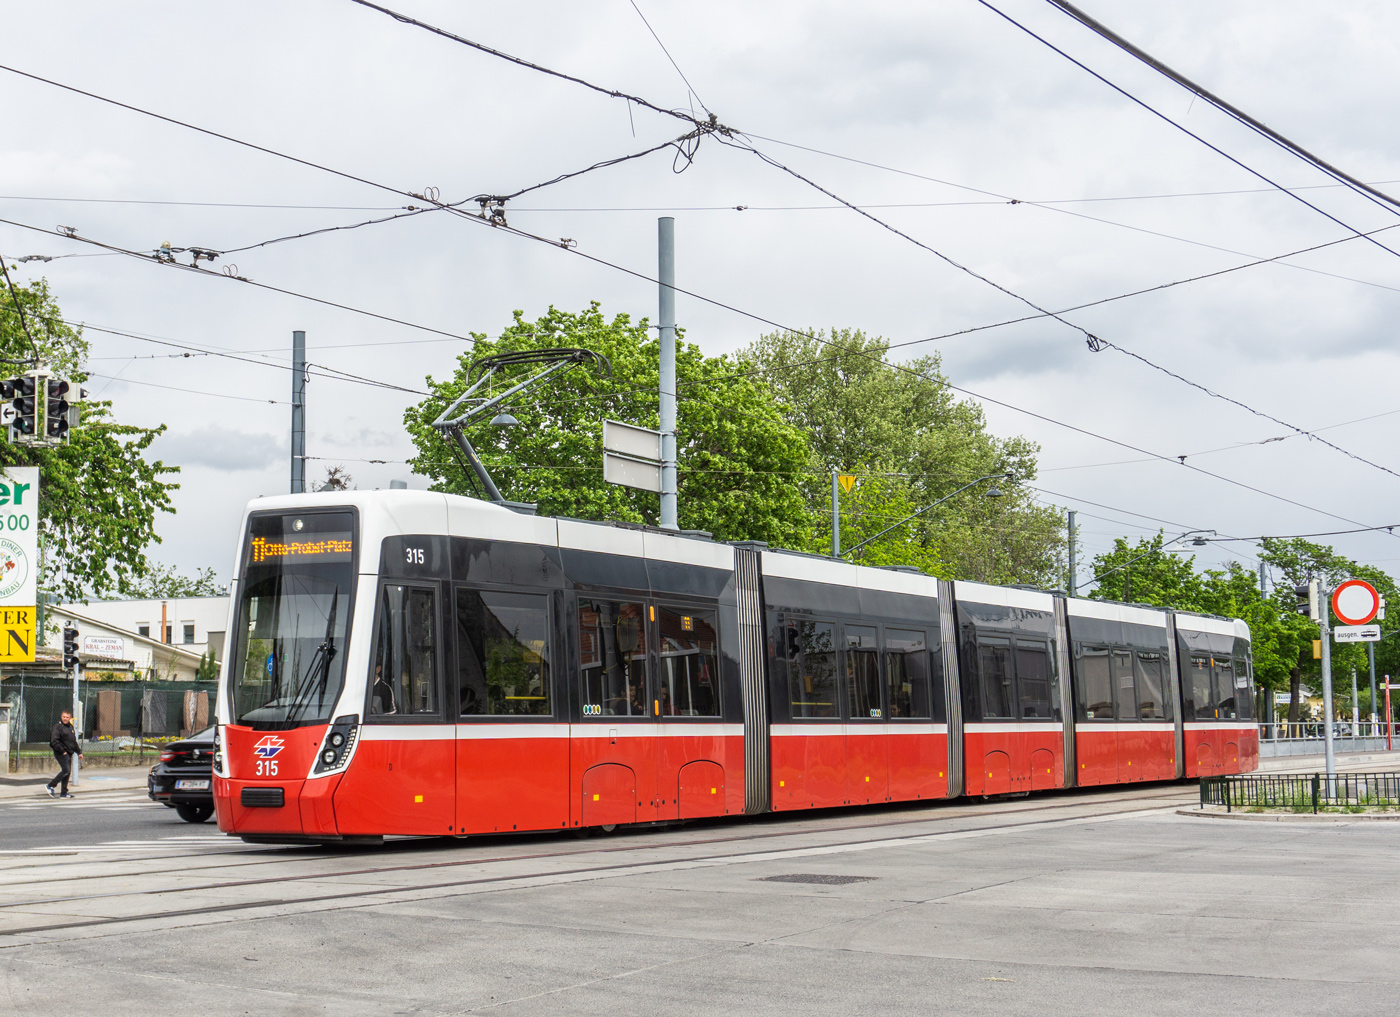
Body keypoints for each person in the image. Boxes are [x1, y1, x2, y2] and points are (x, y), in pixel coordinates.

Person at [46, 711, 82, 799]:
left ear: (70, 718)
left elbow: (73, 742)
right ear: (61, 717)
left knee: (67, 772)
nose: (65, 718)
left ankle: (64, 792)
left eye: (67, 717)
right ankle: (51, 785)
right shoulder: (57, 727)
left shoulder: (70, 727)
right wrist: (62, 751)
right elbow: (54, 741)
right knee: (66, 770)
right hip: (61, 752)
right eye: (63, 717)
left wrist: (79, 752)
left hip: (69, 752)